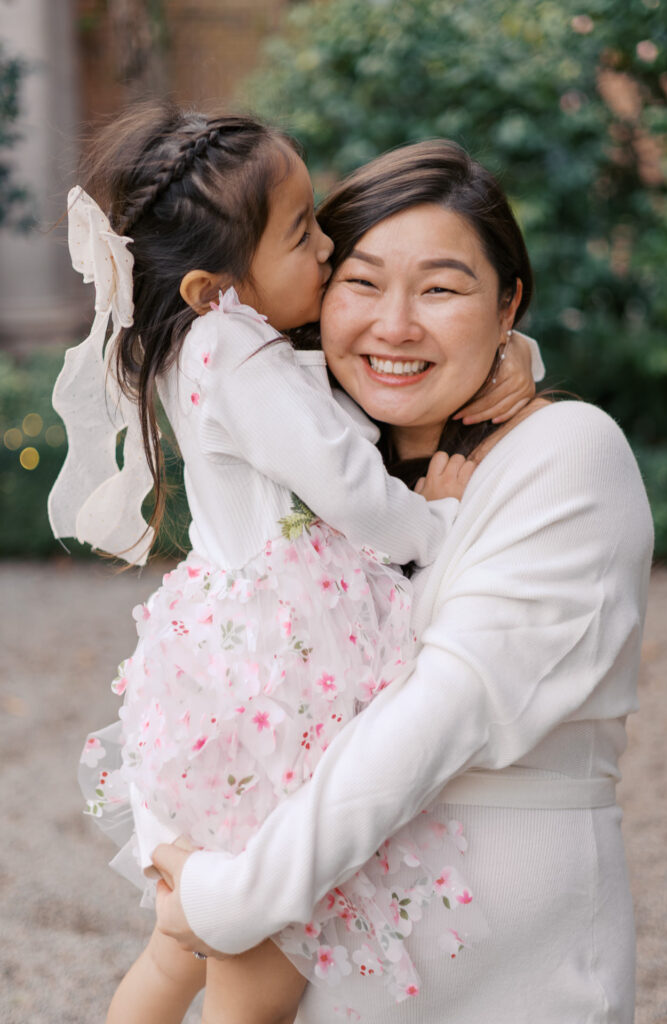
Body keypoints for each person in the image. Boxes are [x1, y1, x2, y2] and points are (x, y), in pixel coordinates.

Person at [48, 108, 541, 1024]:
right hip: (291, 665)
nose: (325, 249)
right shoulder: (244, 353)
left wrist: (514, 352)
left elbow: (362, 378)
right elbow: (351, 482)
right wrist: (433, 524)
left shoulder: (208, 343)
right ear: (212, 287)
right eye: (303, 231)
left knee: (181, 944)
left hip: (233, 664)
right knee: (265, 955)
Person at [151, 140, 654, 1024]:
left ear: (509, 306)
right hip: (329, 961)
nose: (394, 324)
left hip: (505, 974)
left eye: (442, 288)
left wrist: (229, 897)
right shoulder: (319, 470)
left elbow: (441, 708)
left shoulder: (564, 453)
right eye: (360, 281)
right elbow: (221, 695)